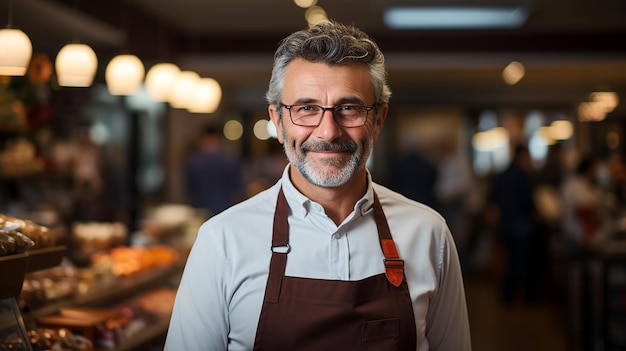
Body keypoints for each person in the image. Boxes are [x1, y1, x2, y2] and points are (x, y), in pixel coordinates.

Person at [165, 21, 471, 350]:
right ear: (279, 123)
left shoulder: (428, 233)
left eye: (349, 108)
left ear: (378, 121)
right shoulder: (222, 241)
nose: (327, 132)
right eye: (307, 108)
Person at [492, 144, 541, 303]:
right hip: (521, 223)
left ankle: (508, 296)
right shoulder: (523, 176)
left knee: (510, 260)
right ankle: (526, 297)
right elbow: (528, 201)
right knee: (523, 261)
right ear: (522, 156)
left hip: (505, 223)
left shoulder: (503, 174)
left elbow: (495, 198)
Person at [184, 124, 243, 216]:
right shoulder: (230, 162)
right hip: (224, 212)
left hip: (201, 213)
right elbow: (237, 195)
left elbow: (189, 195)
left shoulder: (194, 163)